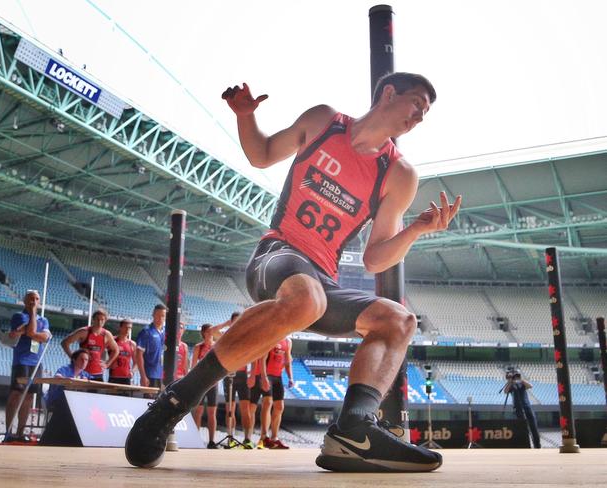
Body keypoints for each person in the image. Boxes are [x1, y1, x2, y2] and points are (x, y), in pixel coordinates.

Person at [126, 72, 461, 472]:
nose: (419, 117)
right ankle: (178, 399)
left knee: (399, 320)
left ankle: (353, 429)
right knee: (307, 298)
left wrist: (417, 228)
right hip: (277, 252)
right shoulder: (325, 122)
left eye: (425, 113)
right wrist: (246, 116)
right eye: (417, 105)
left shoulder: (399, 174)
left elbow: (375, 259)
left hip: (322, 279)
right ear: (389, 93)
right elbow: (262, 154)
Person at [5, 290, 51, 442]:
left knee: (29, 397)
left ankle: (20, 433)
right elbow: (32, 331)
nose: (34, 301)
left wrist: (29, 332)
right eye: (31, 299)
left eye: (36, 299)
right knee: (16, 394)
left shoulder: (44, 320)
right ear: (25, 301)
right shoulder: (19, 316)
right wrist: (31, 318)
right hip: (22, 361)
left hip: (36, 362)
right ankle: (8, 432)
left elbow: (42, 337)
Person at [218, 312, 254, 448]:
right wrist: (226, 324)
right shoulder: (226, 336)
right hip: (228, 375)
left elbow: (254, 356)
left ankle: (247, 439)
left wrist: (251, 375)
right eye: (234, 321)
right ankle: (230, 437)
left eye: (239, 321)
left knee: (246, 409)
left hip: (243, 376)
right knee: (230, 409)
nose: (236, 323)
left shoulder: (247, 337)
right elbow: (211, 332)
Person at [61, 309, 119, 381]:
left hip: (98, 373)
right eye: (97, 319)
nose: (99, 322)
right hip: (83, 372)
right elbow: (64, 343)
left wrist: (107, 364)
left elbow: (116, 350)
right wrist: (73, 357)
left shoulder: (106, 334)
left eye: (102, 320)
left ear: (105, 321)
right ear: (93, 319)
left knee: (95, 392)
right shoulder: (84, 331)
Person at [258, 337, 294, 449]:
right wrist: (263, 377)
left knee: (279, 407)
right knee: (267, 402)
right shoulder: (272, 336)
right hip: (267, 375)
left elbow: (288, 361)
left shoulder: (288, 342)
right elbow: (262, 359)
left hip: (278, 377)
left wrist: (290, 377)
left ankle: (274, 438)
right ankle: (264, 437)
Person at [192, 324, 220, 448]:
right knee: (198, 412)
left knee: (212, 413)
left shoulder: (217, 346)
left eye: (211, 331)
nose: (209, 334)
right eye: (207, 332)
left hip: (213, 382)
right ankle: (196, 439)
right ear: (203, 333)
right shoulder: (199, 347)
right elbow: (193, 366)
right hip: (201, 382)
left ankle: (211, 441)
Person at [503, 369, 541, 448]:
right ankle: (525, 446)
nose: (515, 377)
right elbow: (505, 391)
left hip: (527, 407)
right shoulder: (511, 385)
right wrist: (511, 382)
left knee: (533, 427)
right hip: (518, 409)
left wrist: (520, 380)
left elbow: (530, 386)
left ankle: (537, 445)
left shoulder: (522, 384)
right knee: (523, 429)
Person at [135, 304, 167, 389]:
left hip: (164, 376)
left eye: (163, 316)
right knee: (148, 402)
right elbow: (138, 355)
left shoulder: (166, 332)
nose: (160, 318)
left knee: (162, 401)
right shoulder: (146, 331)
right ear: (153, 315)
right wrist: (143, 376)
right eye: (158, 315)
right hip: (150, 375)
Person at [108, 319, 137, 385]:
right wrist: (108, 364)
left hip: (126, 378)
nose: (127, 330)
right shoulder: (112, 340)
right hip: (113, 377)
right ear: (120, 327)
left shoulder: (132, 344)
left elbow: (136, 363)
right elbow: (101, 354)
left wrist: (132, 372)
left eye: (129, 328)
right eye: (125, 327)